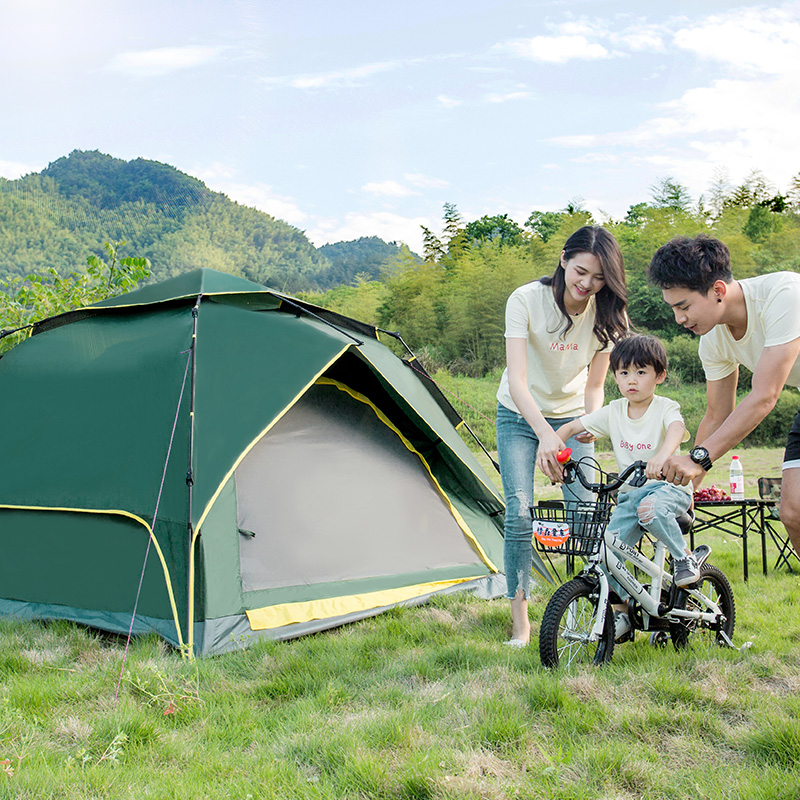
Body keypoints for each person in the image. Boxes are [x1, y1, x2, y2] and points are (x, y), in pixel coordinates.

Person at [496, 225, 628, 647]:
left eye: (599, 277)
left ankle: (586, 605)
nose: (587, 284)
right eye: (582, 272)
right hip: (519, 414)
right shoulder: (526, 300)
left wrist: (583, 430)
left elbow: (594, 387)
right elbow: (518, 380)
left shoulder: (610, 317)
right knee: (519, 513)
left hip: (573, 417)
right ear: (563, 259)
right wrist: (544, 436)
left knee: (585, 516)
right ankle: (521, 623)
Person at [649, 234, 800, 558]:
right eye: (673, 308)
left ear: (718, 290)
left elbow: (765, 396)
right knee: (794, 513)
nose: (679, 319)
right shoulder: (713, 340)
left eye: (683, 306)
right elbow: (717, 415)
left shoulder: (785, 295)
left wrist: (699, 459)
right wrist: (687, 488)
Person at [554, 335, 701, 639]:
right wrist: (555, 450)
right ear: (615, 377)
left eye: (641, 372)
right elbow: (572, 427)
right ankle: (623, 613)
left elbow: (676, 429)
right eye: (623, 373)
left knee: (651, 509)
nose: (631, 380)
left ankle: (683, 557)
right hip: (630, 494)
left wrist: (661, 457)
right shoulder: (614, 411)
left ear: (659, 376)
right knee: (605, 550)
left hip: (667, 490)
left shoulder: (665, 407)